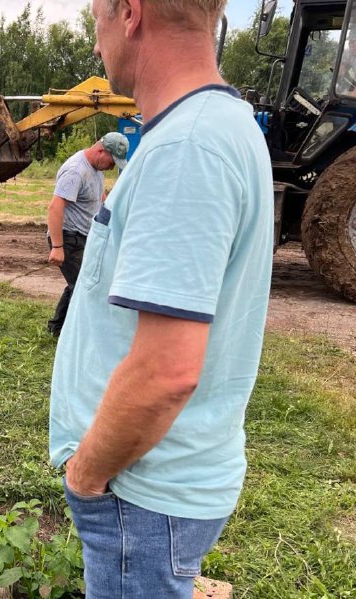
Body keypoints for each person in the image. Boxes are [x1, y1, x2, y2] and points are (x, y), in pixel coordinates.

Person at [49, 0, 274, 596]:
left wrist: (86, 475)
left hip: (139, 494)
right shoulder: (216, 126)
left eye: (96, 22)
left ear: (130, 13)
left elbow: (166, 372)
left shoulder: (185, 148)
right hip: (157, 486)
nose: (96, 44)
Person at [46, 132, 128, 337]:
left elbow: (99, 197)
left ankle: (57, 328)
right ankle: (75, 333)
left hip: (84, 236)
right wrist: (57, 247)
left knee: (78, 284)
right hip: (69, 238)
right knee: (84, 287)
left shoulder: (96, 169)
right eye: (112, 161)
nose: (111, 167)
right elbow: (55, 207)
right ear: (100, 151)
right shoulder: (76, 171)